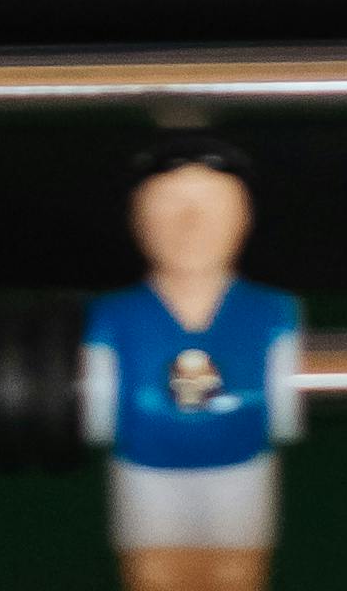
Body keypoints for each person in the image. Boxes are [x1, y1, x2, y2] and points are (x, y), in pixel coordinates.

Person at [85, 132, 301, 590]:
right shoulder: (115, 316)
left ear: (242, 218)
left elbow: (285, 409)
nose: (190, 223)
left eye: (210, 208)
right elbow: (95, 407)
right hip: (146, 471)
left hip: (240, 469)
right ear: (139, 220)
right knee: (155, 575)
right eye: (170, 207)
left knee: (236, 574)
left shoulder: (270, 313)